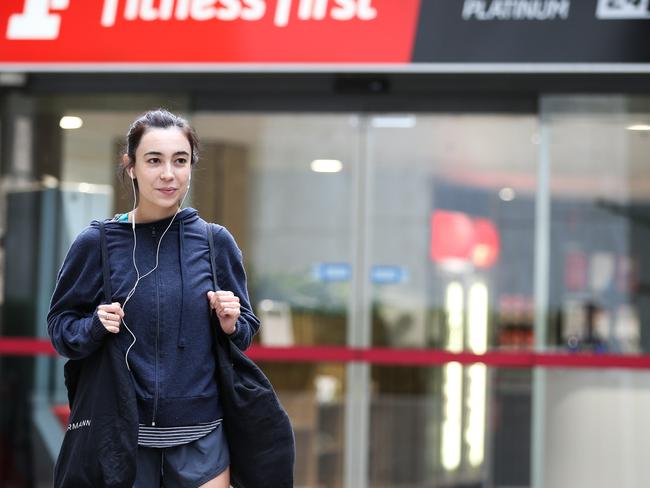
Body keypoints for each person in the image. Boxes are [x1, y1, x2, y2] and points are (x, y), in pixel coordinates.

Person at [47, 109, 260, 488]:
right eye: (154, 160)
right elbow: (61, 328)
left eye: (180, 161)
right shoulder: (97, 243)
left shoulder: (214, 242)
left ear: (191, 166)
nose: (168, 174)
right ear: (130, 167)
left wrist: (232, 322)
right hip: (122, 439)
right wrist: (95, 326)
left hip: (202, 438)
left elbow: (244, 330)